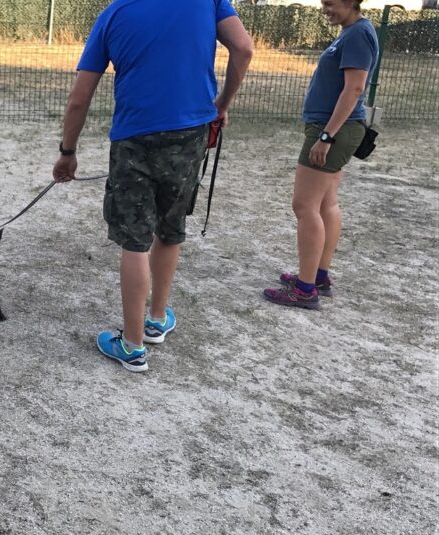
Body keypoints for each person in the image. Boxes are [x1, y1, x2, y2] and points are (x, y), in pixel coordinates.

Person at [52, 0, 253, 372]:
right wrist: (223, 103)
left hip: (134, 138)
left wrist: (68, 152)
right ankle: (157, 319)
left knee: (135, 240)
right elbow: (243, 48)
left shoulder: (113, 14)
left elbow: (79, 98)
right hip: (191, 133)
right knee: (171, 225)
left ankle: (131, 345)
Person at [263, 0, 378, 310]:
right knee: (327, 203)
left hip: (332, 130)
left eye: (330, 3)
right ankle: (318, 277)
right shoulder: (351, 31)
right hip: (333, 128)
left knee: (304, 205)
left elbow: (354, 89)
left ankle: (304, 289)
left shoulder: (358, 34)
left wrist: (326, 136)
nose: (325, 9)